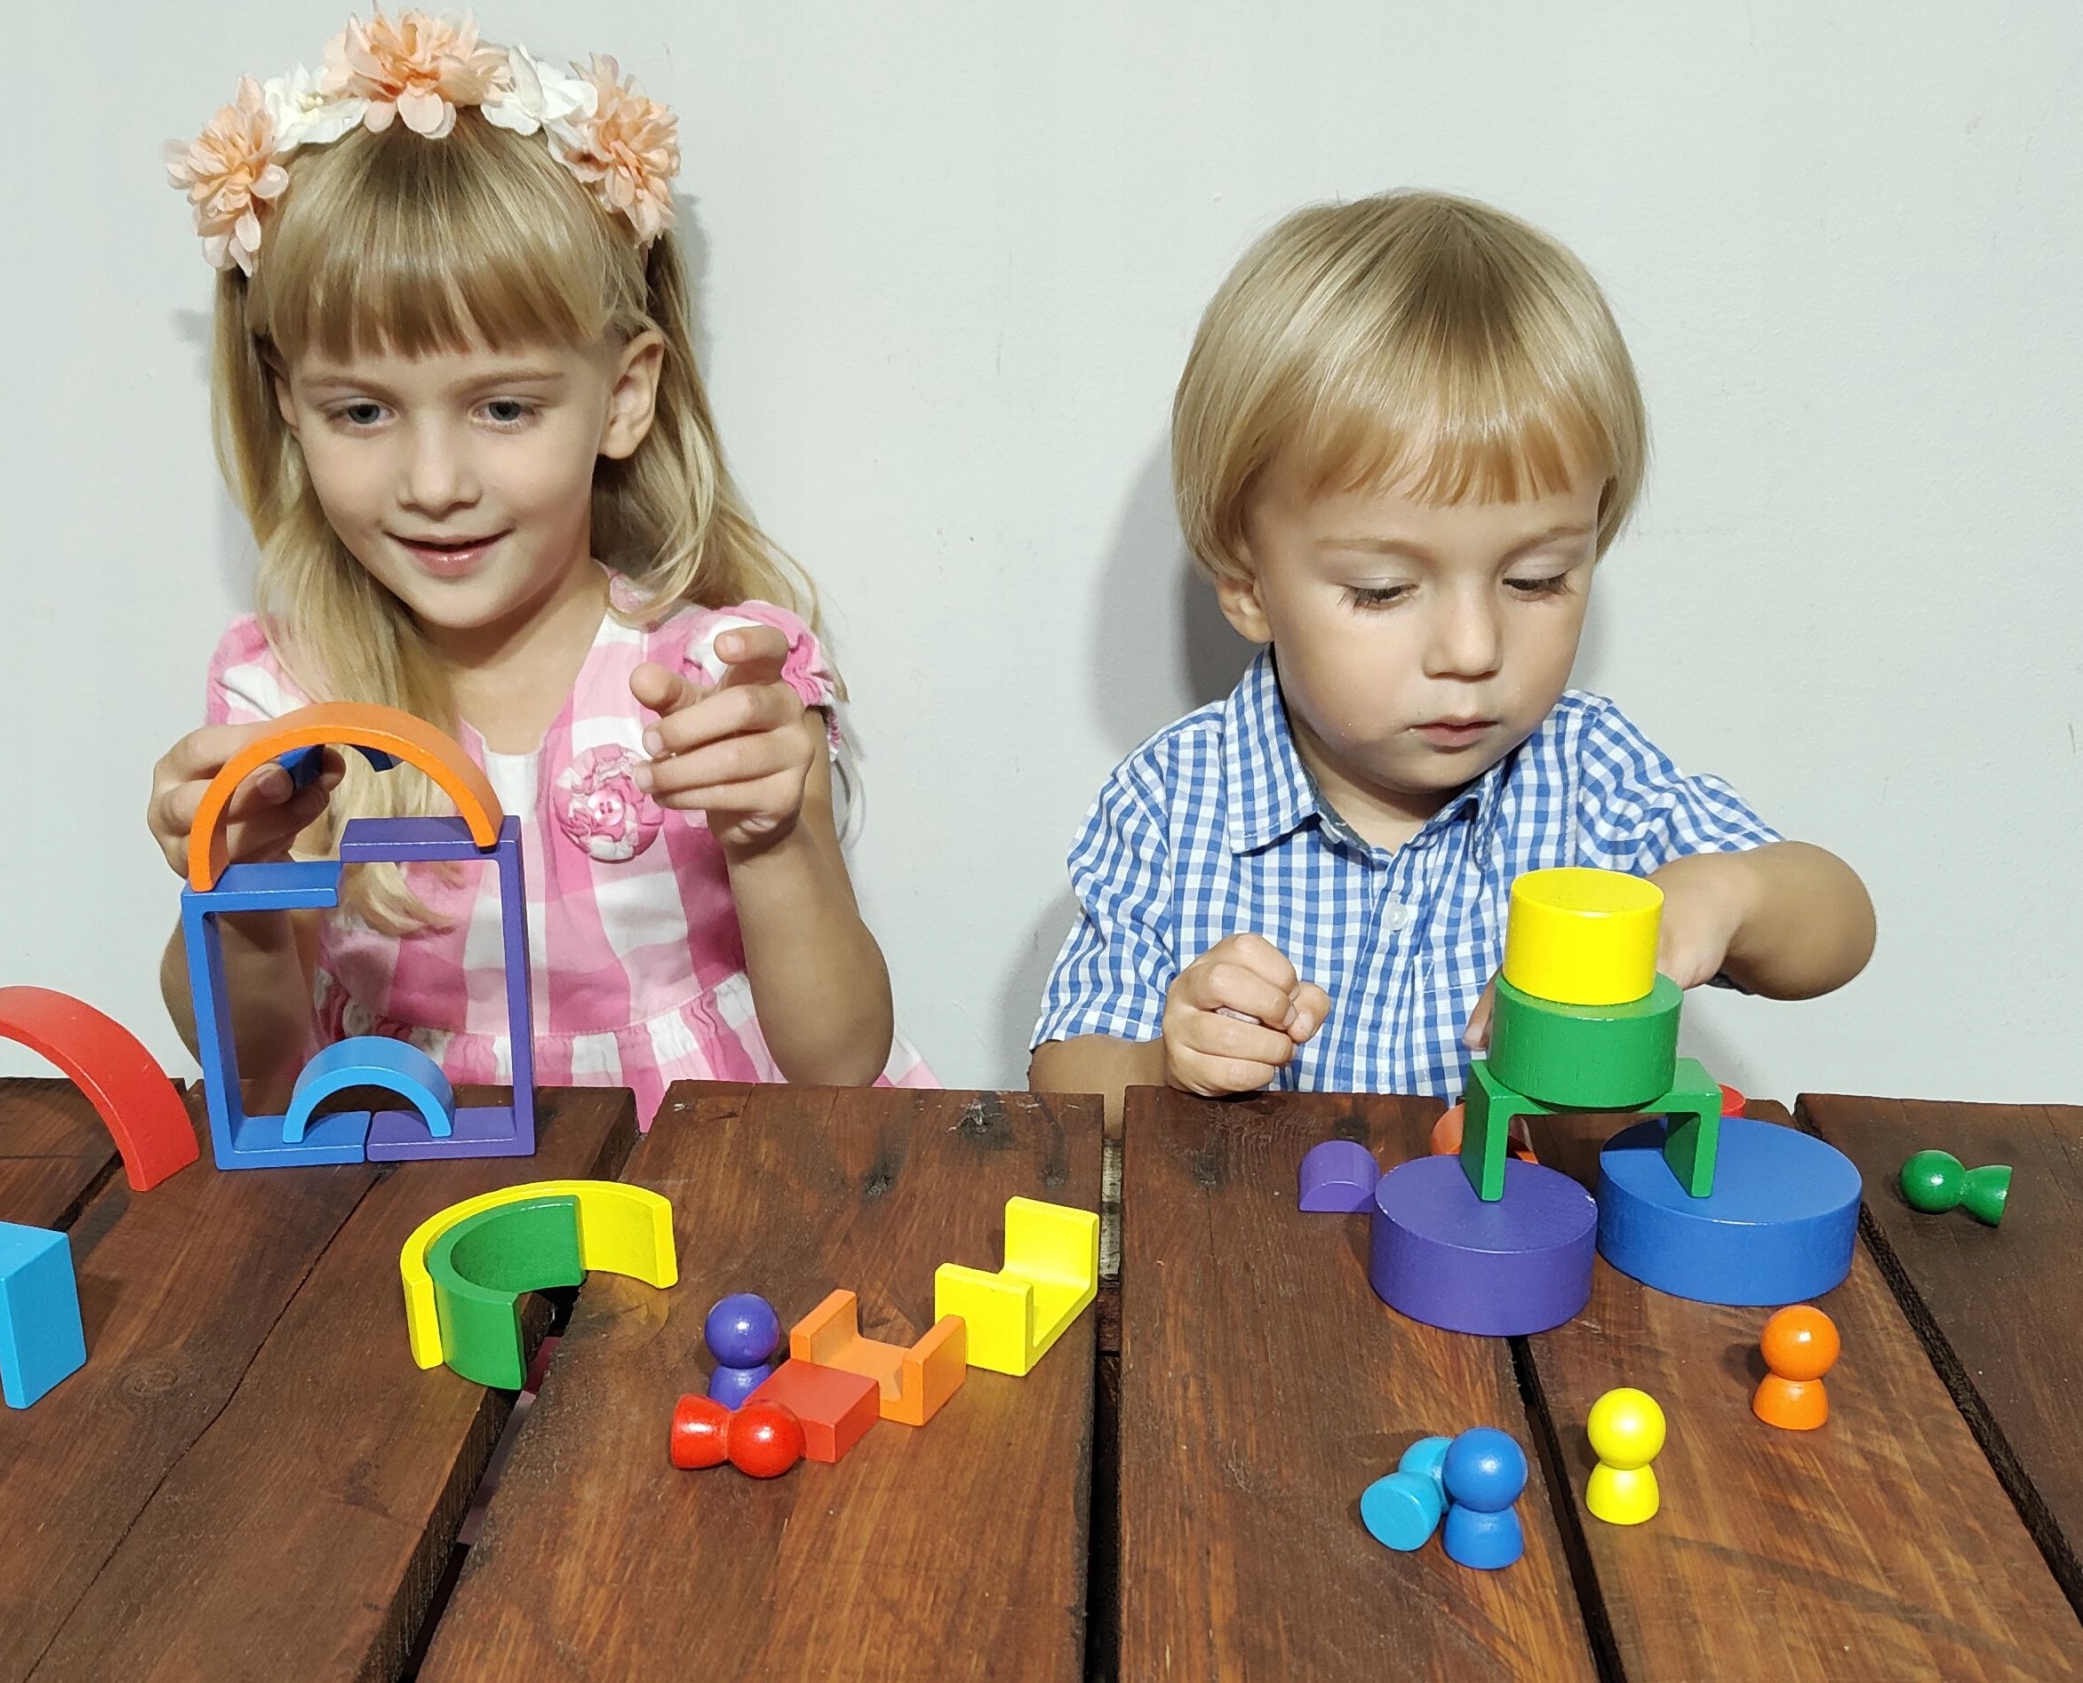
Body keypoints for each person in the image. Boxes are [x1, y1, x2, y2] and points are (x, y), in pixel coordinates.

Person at [145, 11, 929, 1123]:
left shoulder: (714, 679)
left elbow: (842, 1061)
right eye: (361, 410)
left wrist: (773, 838)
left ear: (623, 397)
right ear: (289, 406)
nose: (433, 483)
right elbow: (258, 1065)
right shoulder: (285, 702)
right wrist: (233, 891)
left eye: (503, 408)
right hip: (406, 1166)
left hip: (689, 1165)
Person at [1030, 191, 1874, 1123]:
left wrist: (1723, 893)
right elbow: (1065, 1076)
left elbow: (1838, 926)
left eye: (1536, 580)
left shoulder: (1588, 772)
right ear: (1248, 584)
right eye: (1384, 589)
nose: (1473, 650)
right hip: (1261, 1220)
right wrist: (1167, 1061)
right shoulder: (1173, 801)